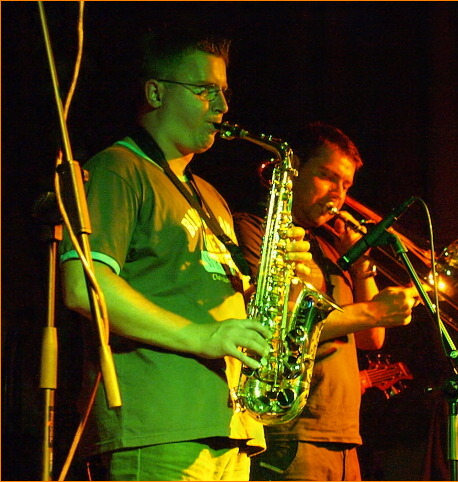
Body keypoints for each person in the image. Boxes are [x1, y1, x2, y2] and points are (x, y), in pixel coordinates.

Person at [59, 28, 311, 481]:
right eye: (204, 89)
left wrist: (286, 285)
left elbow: (234, 310)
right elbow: (83, 286)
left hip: (231, 428)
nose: (222, 106)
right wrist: (202, 336)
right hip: (159, 426)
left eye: (224, 91)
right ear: (156, 93)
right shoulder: (119, 167)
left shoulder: (211, 197)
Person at [234, 122, 419, 481]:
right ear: (293, 170)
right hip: (292, 432)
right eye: (327, 177)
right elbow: (274, 324)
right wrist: (373, 311)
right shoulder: (255, 228)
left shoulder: (330, 250)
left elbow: (371, 338)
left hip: (343, 433)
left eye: (346, 185)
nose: (339, 195)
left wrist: (362, 264)